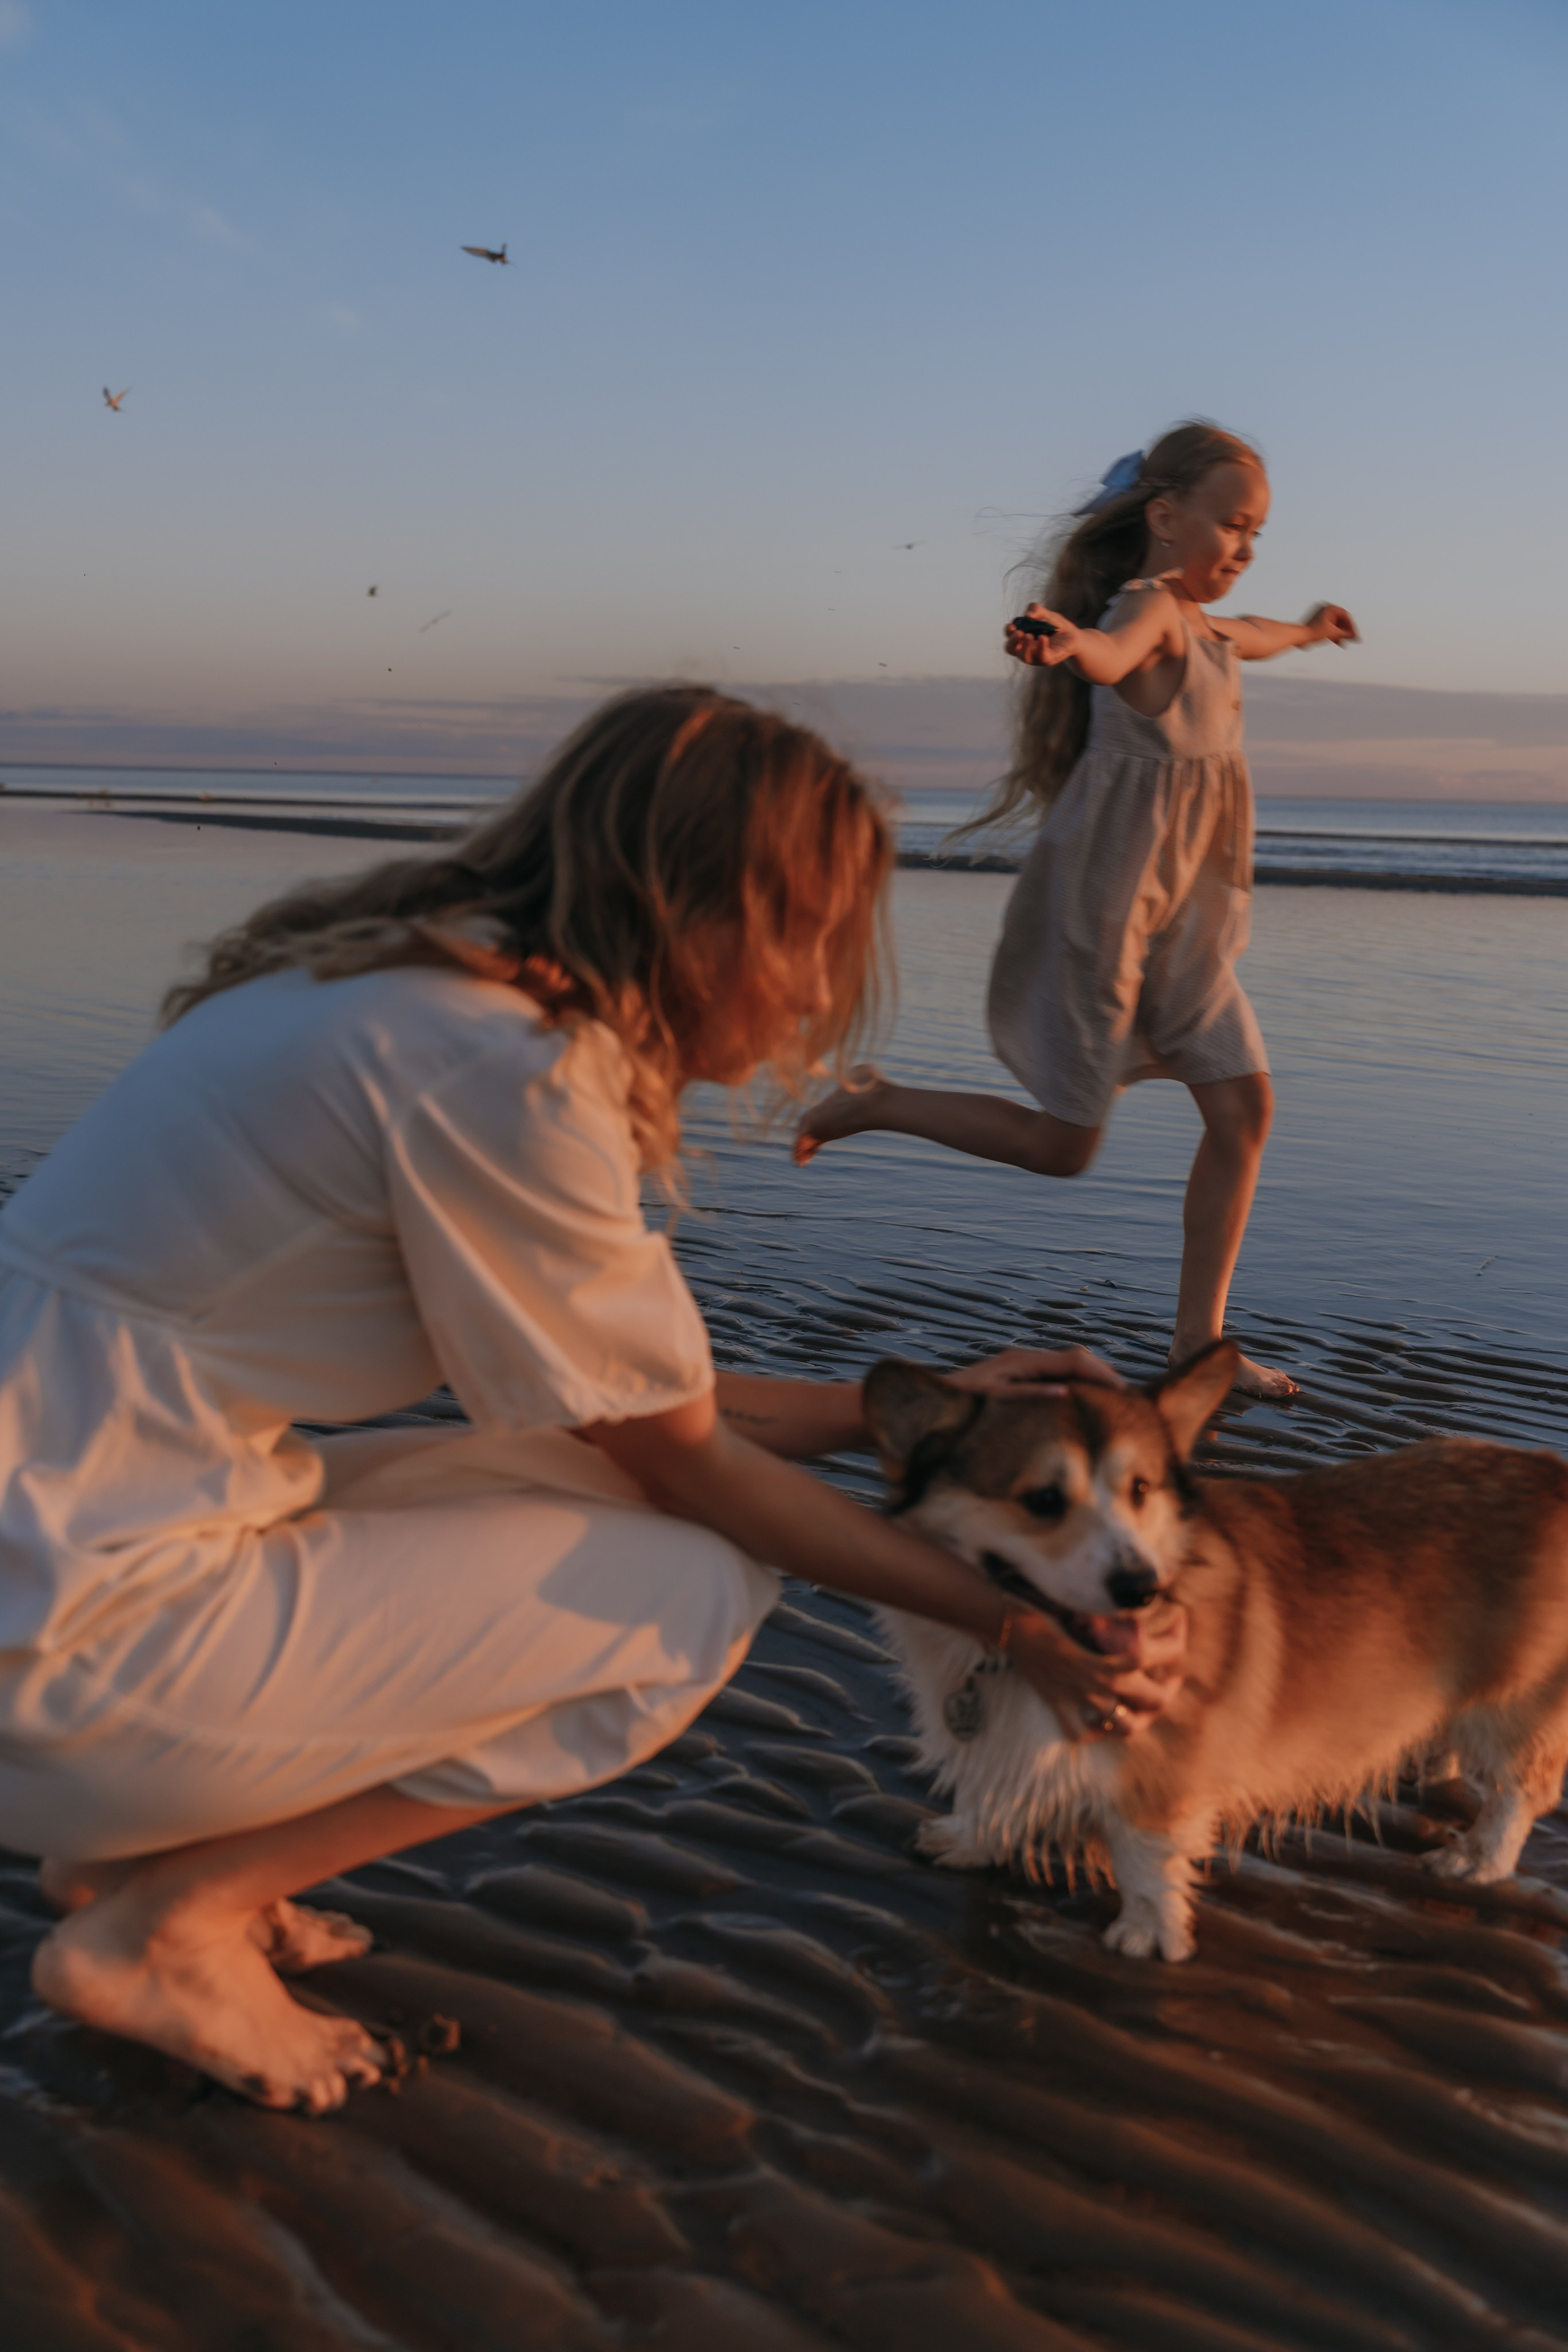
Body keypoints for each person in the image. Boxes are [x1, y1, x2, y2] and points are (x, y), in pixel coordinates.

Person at [0, 686, 1184, 2116]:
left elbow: (625, 1414)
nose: (819, 997)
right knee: (690, 1592)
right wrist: (1018, 1629)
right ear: (699, 911)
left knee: (581, 1485)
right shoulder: (504, 1073)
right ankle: (168, 1927)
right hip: (61, 1631)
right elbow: (689, 1465)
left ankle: (132, 1854)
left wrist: (923, 1416)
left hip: (72, 1534)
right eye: (811, 938)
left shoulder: (395, 988)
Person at [796, 423, 1358, 1399]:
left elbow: (1255, 633)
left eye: (1257, 533)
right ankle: (878, 1101)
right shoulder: (1148, 609)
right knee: (1063, 1149)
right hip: (1112, 916)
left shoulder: (1208, 627)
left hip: (1190, 928)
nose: (1245, 547)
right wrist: (1069, 642)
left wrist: (1310, 630)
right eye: (1232, 524)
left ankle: (1199, 1346)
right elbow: (1112, 650)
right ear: (1165, 516)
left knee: (1245, 1110)